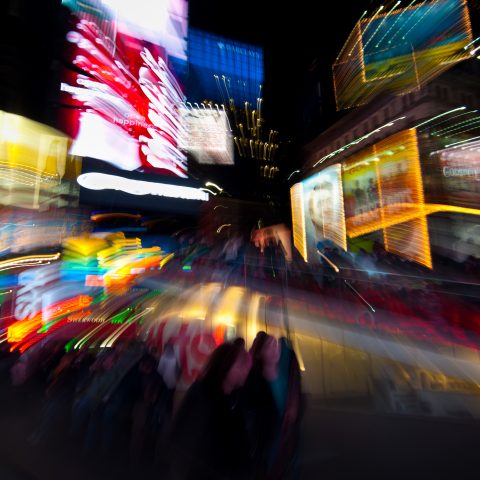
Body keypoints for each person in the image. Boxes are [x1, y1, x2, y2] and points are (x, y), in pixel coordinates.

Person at [167, 341, 252, 480]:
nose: (246, 370)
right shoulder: (205, 396)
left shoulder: (233, 398)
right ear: (225, 366)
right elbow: (187, 443)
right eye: (240, 365)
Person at [244, 333, 303, 479]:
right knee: (270, 464)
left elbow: (295, 394)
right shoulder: (255, 379)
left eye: (275, 344)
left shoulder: (285, 372)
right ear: (259, 353)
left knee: (290, 461)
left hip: (287, 428)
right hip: (268, 433)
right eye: (269, 346)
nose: (275, 348)